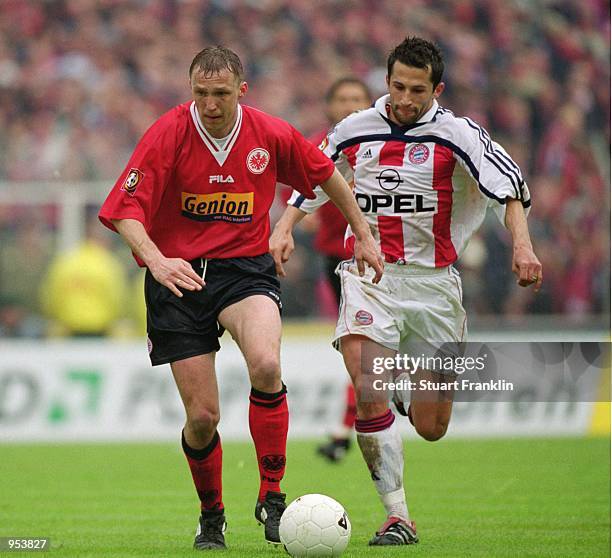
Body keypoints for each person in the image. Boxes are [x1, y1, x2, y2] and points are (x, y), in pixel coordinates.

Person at [98, 46, 383, 551]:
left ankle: (272, 498)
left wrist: (361, 230)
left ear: (241, 91)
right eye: (201, 94)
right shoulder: (167, 133)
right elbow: (124, 209)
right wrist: (156, 260)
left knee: (267, 365)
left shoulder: (268, 133)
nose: (210, 104)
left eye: (221, 94)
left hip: (244, 270)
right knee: (203, 417)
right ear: (191, 90)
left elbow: (325, 174)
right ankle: (212, 516)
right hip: (177, 279)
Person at [270, 36, 542, 547]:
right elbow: (316, 175)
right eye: (397, 86)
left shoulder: (458, 134)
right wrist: (285, 226)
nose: (405, 98)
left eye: (417, 89)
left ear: (436, 89)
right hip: (371, 276)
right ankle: (398, 516)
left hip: (435, 286)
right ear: (386, 81)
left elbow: (510, 187)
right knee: (367, 384)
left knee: (433, 426)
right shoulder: (356, 128)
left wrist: (522, 247)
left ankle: (404, 389)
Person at [309, 78, 373, 463]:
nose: (350, 106)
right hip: (335, 260)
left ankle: (346, 427)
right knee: (358, 347)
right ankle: (351, 423)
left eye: (358, 100)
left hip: (376, 256)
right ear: (329, 108)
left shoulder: (385, 144)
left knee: (363, 345)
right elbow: (295, 196)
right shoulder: (320, 146)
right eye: (342, 100)